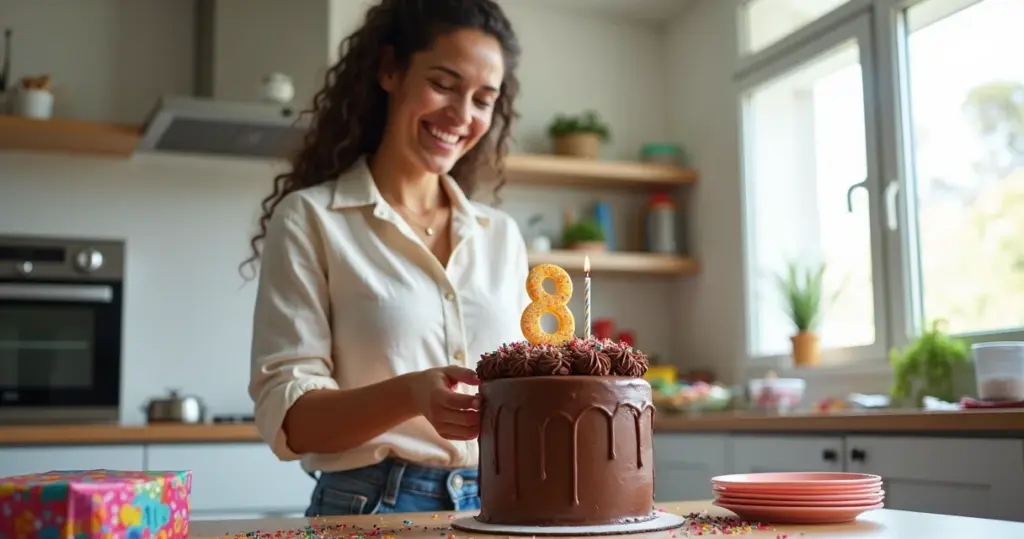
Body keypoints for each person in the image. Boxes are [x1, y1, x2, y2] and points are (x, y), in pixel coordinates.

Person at [241, 0, 525, 518]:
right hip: (371, 505)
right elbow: (292, 421)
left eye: (483, 99)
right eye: (443, 83)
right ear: (390, 69)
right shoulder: (311, 219)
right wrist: (411, 395)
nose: (462, 115)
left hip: (505, 502)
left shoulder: (500, 236)